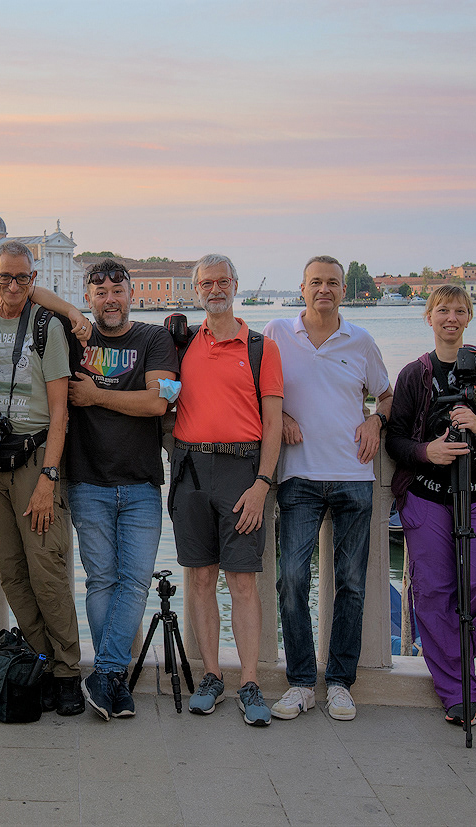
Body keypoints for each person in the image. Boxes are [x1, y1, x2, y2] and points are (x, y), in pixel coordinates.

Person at [0, 239, 85, 716]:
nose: (12, 286)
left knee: (46, 568)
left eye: (22, 278)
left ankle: (68, 672)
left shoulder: (47, 328)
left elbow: (60, 412)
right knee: (9, 568)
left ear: (33, 280)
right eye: (5, 277)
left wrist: (49, 478)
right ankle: (42, 660)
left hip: (32, 461)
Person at [385, 284, 476, 725]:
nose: (451, 317)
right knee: (433, 593)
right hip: (427, 495)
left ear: (469, 318)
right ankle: (459, 691)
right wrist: (428, 452)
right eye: (442, 310)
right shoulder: (414, 374)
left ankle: (454, 659)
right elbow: (396, 440)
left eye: (459, 310)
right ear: (428, 318)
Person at [262, 255, 392, 722]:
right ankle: (300, 682)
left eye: (332, 283)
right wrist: (285, 419)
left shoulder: (361, 341)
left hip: (354, 477)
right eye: (316, 282)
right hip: (298, 478)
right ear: (302, 288)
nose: (324, 289)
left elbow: (387, 393)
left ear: (344, 289)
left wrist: (377, 419)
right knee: (292, 580)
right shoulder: (277, 333)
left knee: (351, 584)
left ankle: (339, 681)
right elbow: (256, 390)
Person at [63, 259, 178, 720]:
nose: (110, 299)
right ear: (87, 298)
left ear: (132, 294)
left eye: (117, 290)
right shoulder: (74, 339)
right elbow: (30, 298)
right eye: (100, 292)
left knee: (134, 582)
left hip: (141, 483)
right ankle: (114, 682)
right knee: (102, 581)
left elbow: (158, 402)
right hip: (87, 479)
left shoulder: (153, 339)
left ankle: (108, 674)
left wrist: (96, 396)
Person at [172, 253, 283, 726]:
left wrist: (262, 483)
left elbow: (274, 422)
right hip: (190, 470)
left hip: (243, 473)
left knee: (242, 581)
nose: (214, 289)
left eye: (222, 281)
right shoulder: (181, 344)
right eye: (206, 283)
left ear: (235, 285)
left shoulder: (260, 347)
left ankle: (250, 681)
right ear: (195, 290)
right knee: (199, 578)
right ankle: (213, 676)